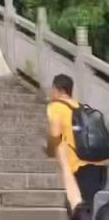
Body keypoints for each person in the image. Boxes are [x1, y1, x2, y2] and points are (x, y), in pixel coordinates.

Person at [47, 74, 108, 215]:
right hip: (98, 168)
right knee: (90, 211)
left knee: (78, 211)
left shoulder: (57, 106)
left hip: (79, 169)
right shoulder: (79, 107)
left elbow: (54, 136)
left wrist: (50, 150)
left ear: (57, 90)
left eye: (52, 89)